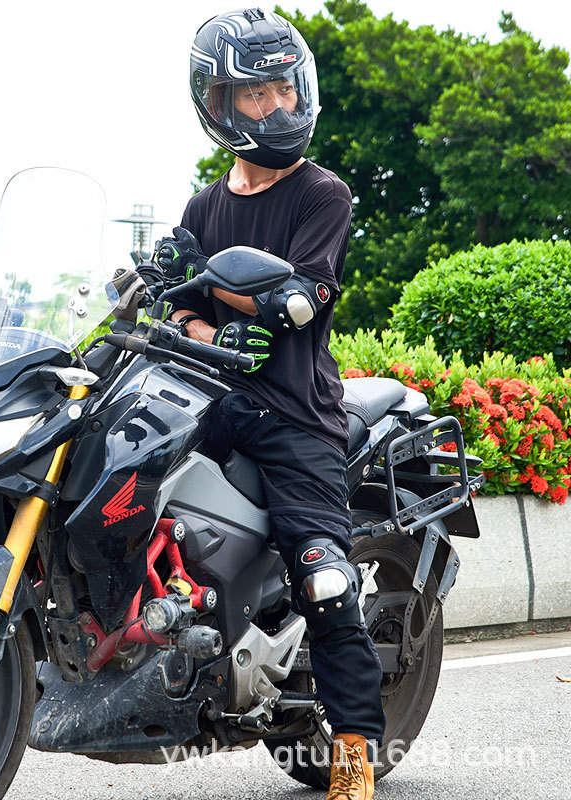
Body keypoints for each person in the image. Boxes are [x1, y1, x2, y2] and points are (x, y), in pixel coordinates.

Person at [154, 9, 384, 799]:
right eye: (259, 94)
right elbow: (178, 309)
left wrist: (217, 295)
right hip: (208, 403)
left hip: (294, 415)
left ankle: (353, 753)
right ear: (218, 102)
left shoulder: (323, 193)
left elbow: (302, 298)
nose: (279, 107)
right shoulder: (200, 207)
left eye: (287, 89)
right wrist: (193, 320)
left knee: (324, 577)